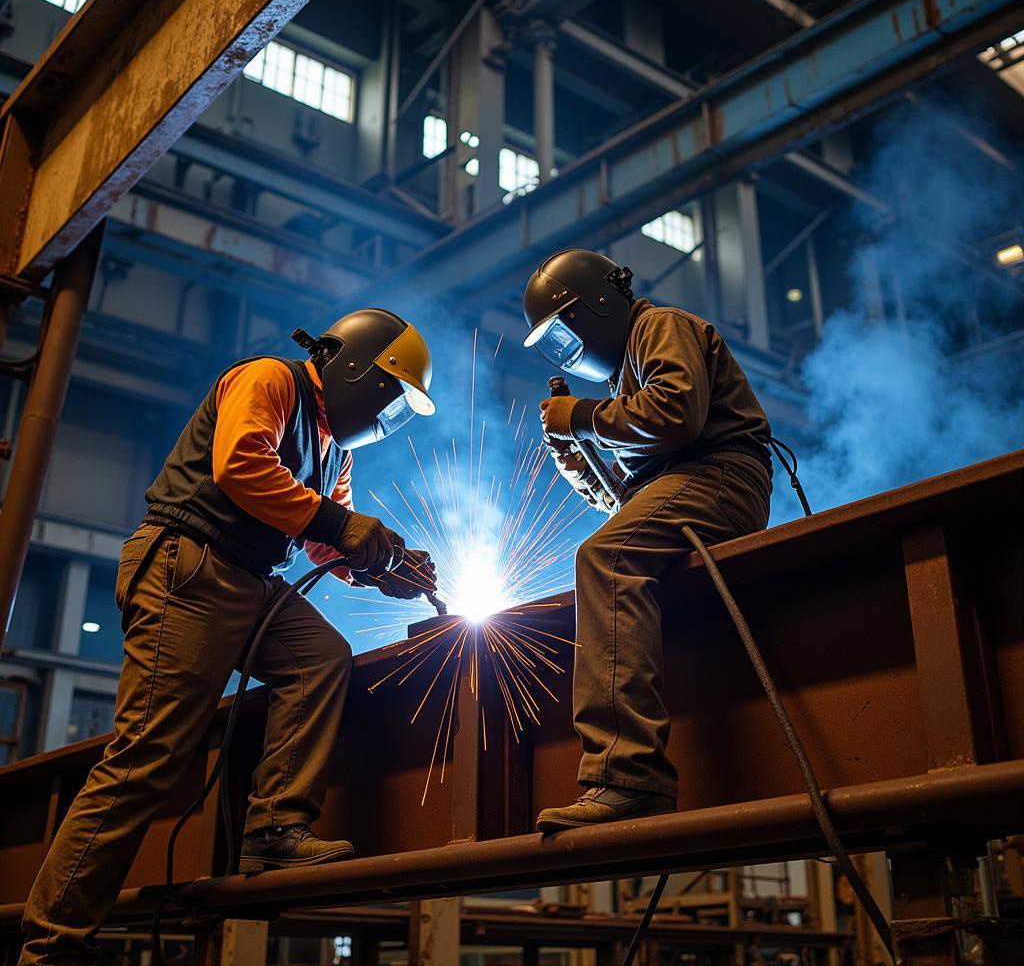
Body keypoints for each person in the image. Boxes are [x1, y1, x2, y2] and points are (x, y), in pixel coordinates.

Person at [20, 308, 440, 965]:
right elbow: (240, 467)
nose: (388, 418)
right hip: (188, 562)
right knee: (147, 759)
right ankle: (52, 946)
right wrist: (343, 526)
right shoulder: (270, 379)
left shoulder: (337, 451)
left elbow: (322, 538)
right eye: (392, 399)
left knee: (320, 657)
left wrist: (379, 572)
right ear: (358, 369)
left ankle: (274, 825)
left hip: (248, 580)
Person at [522, 250, 773, 832]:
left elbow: (676, 416)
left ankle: (627, 775)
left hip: (720, 477)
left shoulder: (659, 327)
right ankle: (627, 763)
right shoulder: (621, 378)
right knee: (614, 550)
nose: (567, 352)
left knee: (604, 558)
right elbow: (629, 501)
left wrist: (581, 416)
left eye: (563, 335)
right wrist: (579, 463)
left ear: (597, 305)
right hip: (687, 485)